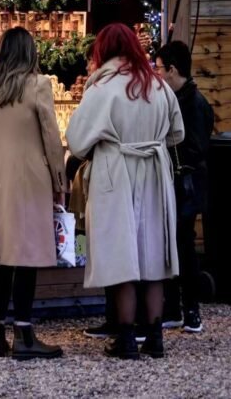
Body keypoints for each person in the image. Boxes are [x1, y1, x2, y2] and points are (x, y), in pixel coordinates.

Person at [66, 23, 184, 359]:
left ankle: (127, 338)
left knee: (121, 254)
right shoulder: (158, 85)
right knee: (154, 254)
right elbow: (177, 133)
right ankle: (156, 337)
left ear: (102, 50)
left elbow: (77, 141)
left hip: (116, 172)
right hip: (154, 173)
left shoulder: (102, 88)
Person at [0, 27, 65, 360]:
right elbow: (52, 138)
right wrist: (60, 180)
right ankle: (24, 333)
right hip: (27, 173)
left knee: (0, 255)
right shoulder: (38, 85)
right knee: (25, 253)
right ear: (30, 52)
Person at [155, 41, 214, 334]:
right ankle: (175, 309)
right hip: (181, 183)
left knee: (184, 246)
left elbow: (196, 149)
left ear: (172, 70)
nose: (156, 74)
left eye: (159, 68)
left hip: (186, 185)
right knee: (174, 244)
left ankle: (191, 311)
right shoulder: (180, 99)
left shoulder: (194, 103)